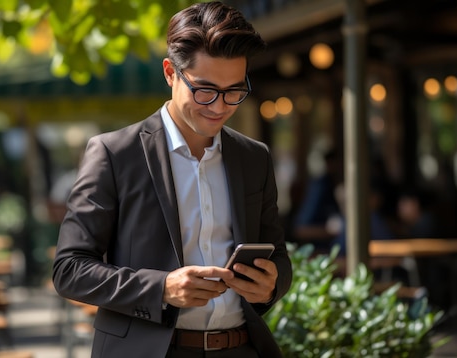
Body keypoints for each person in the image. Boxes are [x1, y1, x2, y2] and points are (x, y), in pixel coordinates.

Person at [52, 3, 293, 357]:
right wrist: (161, 287)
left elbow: (280, 256)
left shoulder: (254, 157)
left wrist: (272, 284)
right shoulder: (114, 154)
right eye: (204, 90)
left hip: (240, 348)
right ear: (170, 72)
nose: (219, 106)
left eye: (234, 92)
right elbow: (69, 269)